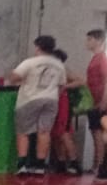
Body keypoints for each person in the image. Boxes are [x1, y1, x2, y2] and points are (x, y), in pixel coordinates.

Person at [6, 37, 66, 177]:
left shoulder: (30, 62)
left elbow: (14, 78)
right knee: (44, 132)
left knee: (23, 131)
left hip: (30, 99)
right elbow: (62, 85)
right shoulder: (59, 64)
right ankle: (40, 166)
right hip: (51, 99)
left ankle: (22, 165)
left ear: (38, 47)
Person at [85, 30, 107, 178]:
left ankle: (101, 165)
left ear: (98, 41)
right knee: (94, 133)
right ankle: (96, 164)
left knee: (99, 134)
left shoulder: (103, 58)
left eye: (89, 39)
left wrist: (104, 100)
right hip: (93, 102)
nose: (87, 43)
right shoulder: (94, 58)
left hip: (101, 102)